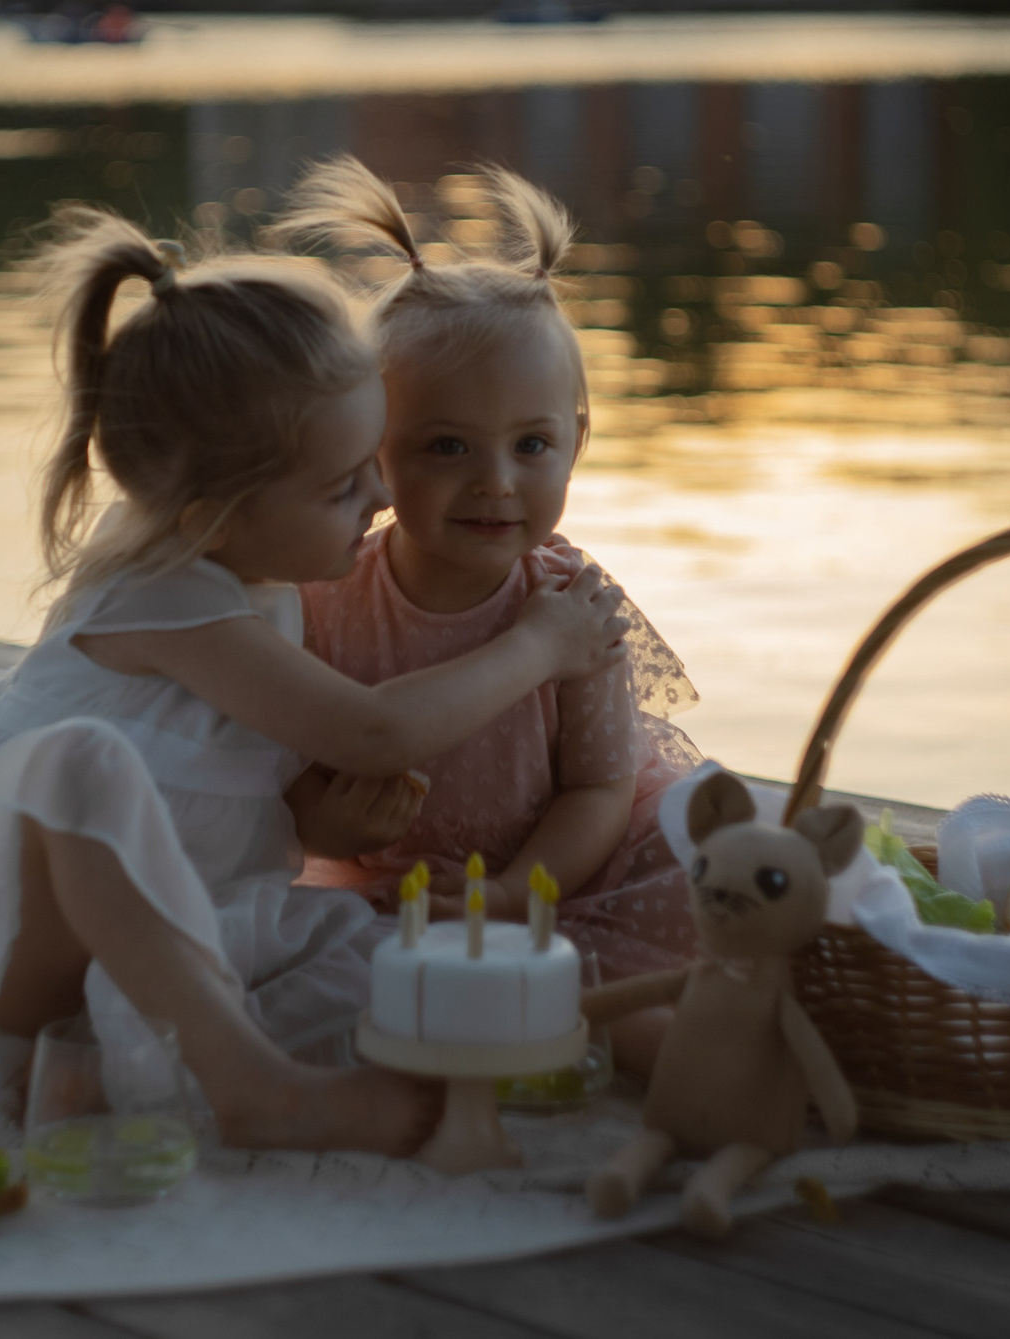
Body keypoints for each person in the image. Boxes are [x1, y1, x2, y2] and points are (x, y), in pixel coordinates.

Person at [0, 205, 630, 1156]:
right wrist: (540, 647)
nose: (378, 500)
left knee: (388, 964)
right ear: (217, 515)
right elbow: (372, 733)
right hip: (17, 969)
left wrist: (316, 826)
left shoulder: (265, 589)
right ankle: (249, 1087)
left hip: (188, 927)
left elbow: (227, 783)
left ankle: (152, 1060)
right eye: (344, 484)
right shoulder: (164, 598)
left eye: (372, 466)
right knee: (79, 766)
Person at [276, 159, 705, 1074]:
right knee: (304, 973)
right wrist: (323, 827)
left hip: (560, 878)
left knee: (711, 857)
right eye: (445, 447)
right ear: (374, 449)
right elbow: (287, 768)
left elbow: (598, 787)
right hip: (386, 894)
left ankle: (660, 1039)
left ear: (575, 442)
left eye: (532, 444)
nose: (495, 482)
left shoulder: (571, 602)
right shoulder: (324, 594)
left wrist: (518, 891)